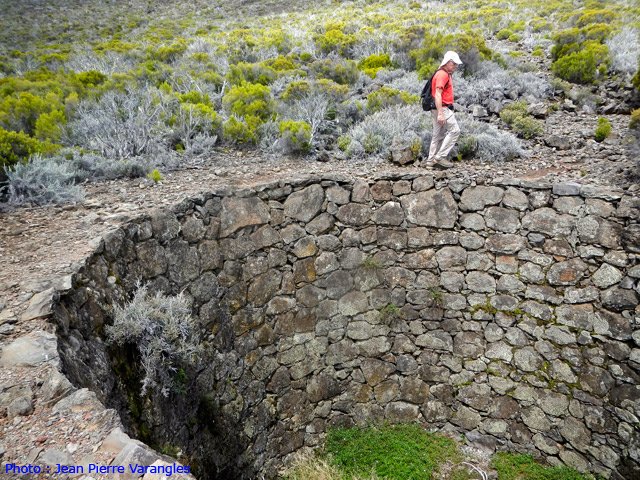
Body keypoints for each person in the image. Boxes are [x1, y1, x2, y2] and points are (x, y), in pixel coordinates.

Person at [426, 51, 463, 169]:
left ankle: (430, 162)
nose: (456, 66)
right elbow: (438, 94)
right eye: (454, 64)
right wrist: (441, 113)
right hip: (442, 108)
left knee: (438, 135)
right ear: (447, 62)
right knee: (455, 130)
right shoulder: (443, 74)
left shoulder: (442, 73)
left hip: (436, 109)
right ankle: (439, 158)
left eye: (456, 64)